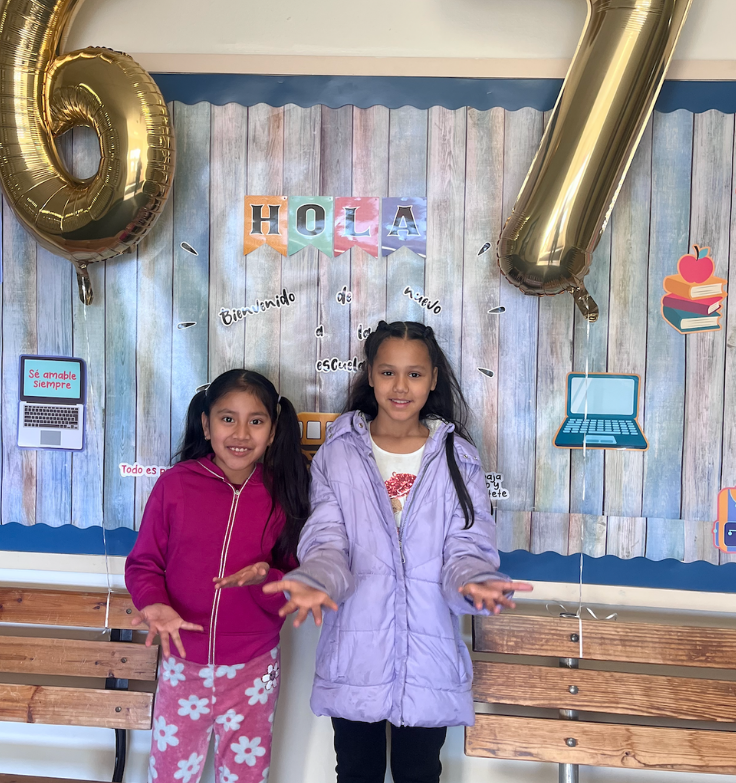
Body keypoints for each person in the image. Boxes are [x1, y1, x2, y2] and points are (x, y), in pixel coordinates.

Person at [263, 320, 532, 783]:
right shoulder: (338, 454)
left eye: (415, 374)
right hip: (355, 655)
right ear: (370, 375)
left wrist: (474, 580)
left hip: (431, 658)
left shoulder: (458, 457)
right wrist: (316, 578)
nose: (401, 387)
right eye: (388, 372)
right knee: (356, 772)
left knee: (420, 773)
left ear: (433, 379)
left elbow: (466, 545)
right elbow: (326, 540)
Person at [125, 369, 310, 783]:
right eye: (228, 419)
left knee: (246, 774)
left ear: (273, 430)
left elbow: (294, 583)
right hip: (182, 661)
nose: (241, 433)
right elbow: (143, 563)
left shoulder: (285, 493)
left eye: (256, 421)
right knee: (170, 774)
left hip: (254, 666)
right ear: (206, 425)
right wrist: (154, 603)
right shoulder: (176, 485)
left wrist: (265, 579)